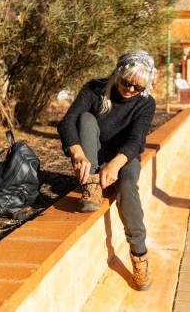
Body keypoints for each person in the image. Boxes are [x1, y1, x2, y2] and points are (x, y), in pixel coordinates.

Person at [57, 50, 156, 291]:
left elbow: (136, 140)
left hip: (124, 156)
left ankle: (139, 255)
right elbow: (67, 121)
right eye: (126, 82)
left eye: (138, 87)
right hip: (93, 152)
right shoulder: (95, 89)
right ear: (118, 73)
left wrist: (115, 164)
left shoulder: (145, 103)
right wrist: (77, 153)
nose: (130, 89)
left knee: (127, 185)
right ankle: (91, 187)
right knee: (86, 119)